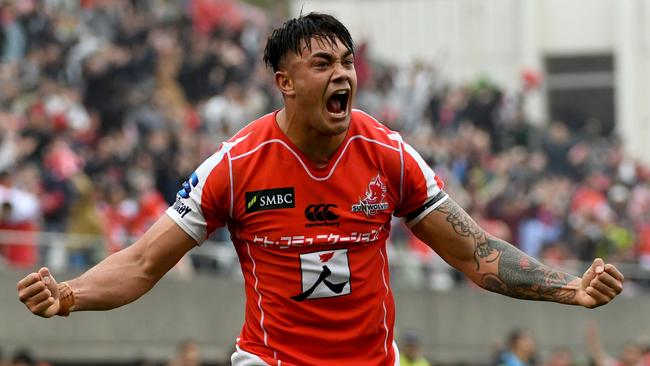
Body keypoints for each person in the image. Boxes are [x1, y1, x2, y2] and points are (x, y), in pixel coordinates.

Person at [17, 13, 625, 366]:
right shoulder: (234, 165)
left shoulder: (389, 154)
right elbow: (143, 263)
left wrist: (568, 288)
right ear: (285, 82)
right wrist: (68, 295)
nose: (342, 73)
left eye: (348, 61)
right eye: (322, 63)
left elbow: (475, 253)